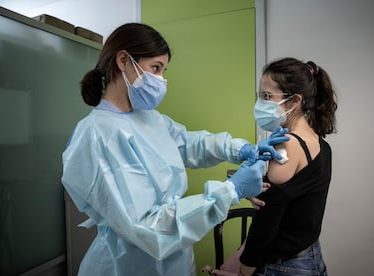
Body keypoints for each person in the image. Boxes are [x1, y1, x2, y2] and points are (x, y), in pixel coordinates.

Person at [61, 23, 289, 276]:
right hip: (127, 265)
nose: (160, 80)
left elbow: (190, 144)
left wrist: (239, 148)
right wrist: (229, 191)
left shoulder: (148, 118)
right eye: (155, 68)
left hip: (174, 261)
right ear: (124, 60)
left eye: (163, 71)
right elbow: (147, 227)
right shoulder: (98, 135)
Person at [238, 57, 337, 276]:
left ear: (294, 101)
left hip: (283, 265)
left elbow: (267, 219)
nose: (260, 104)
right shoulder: (321, 144)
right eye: (259, 96)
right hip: (310, 256)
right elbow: (287, 197)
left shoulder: (287, 143)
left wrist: (245, 270)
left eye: (267, 97)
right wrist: (247, 185)